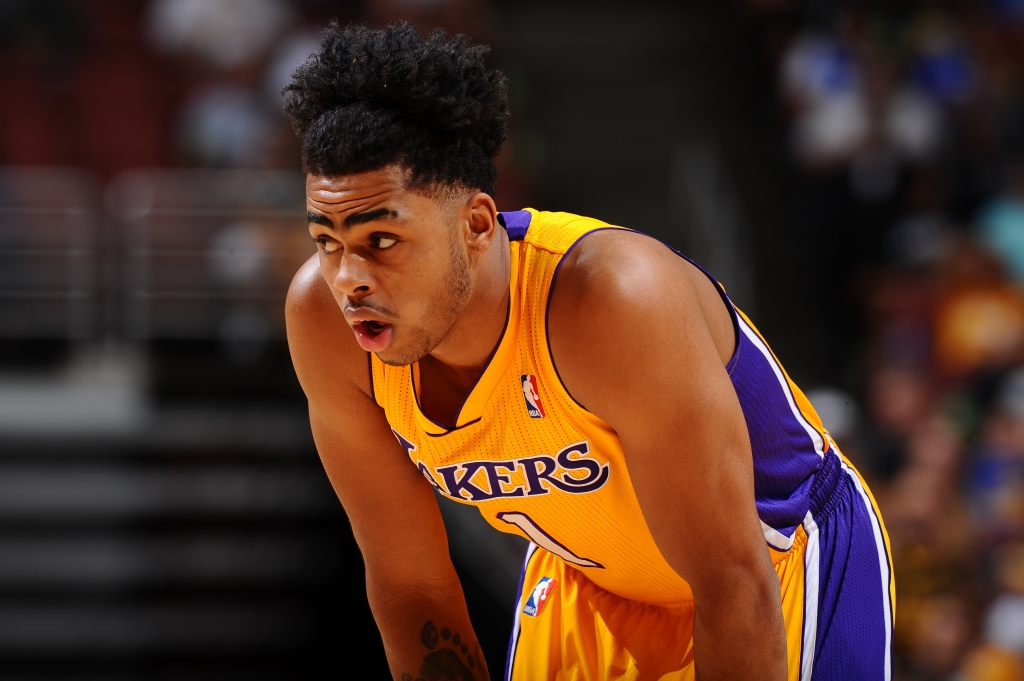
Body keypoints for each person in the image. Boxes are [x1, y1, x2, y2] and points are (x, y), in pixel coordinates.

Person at [283, 21, 894, 681]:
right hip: (591, 583)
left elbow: (732, 579)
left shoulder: (614, 300)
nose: (350, 278)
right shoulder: (323, 322)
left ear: (478, 223)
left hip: (773, 560)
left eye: (381, 240)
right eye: (327, 240)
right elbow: (413, 588)